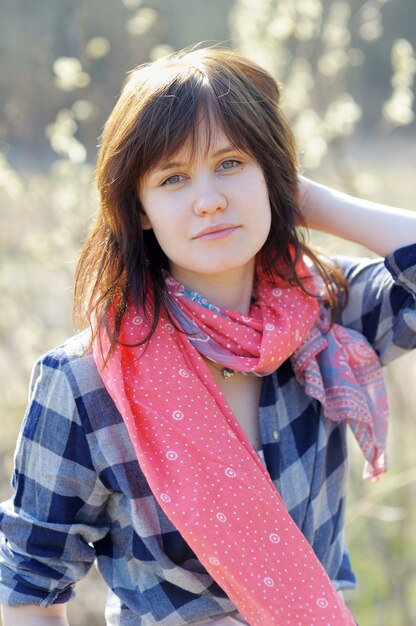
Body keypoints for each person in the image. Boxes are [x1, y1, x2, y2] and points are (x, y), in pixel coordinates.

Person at [0, 46, 415, 626]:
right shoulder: (84, 382)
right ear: (139, 209)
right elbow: (29, 592)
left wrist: (313, 203)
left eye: (230, 163)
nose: (208, 200)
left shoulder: (324, 314)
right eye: (172, 178)